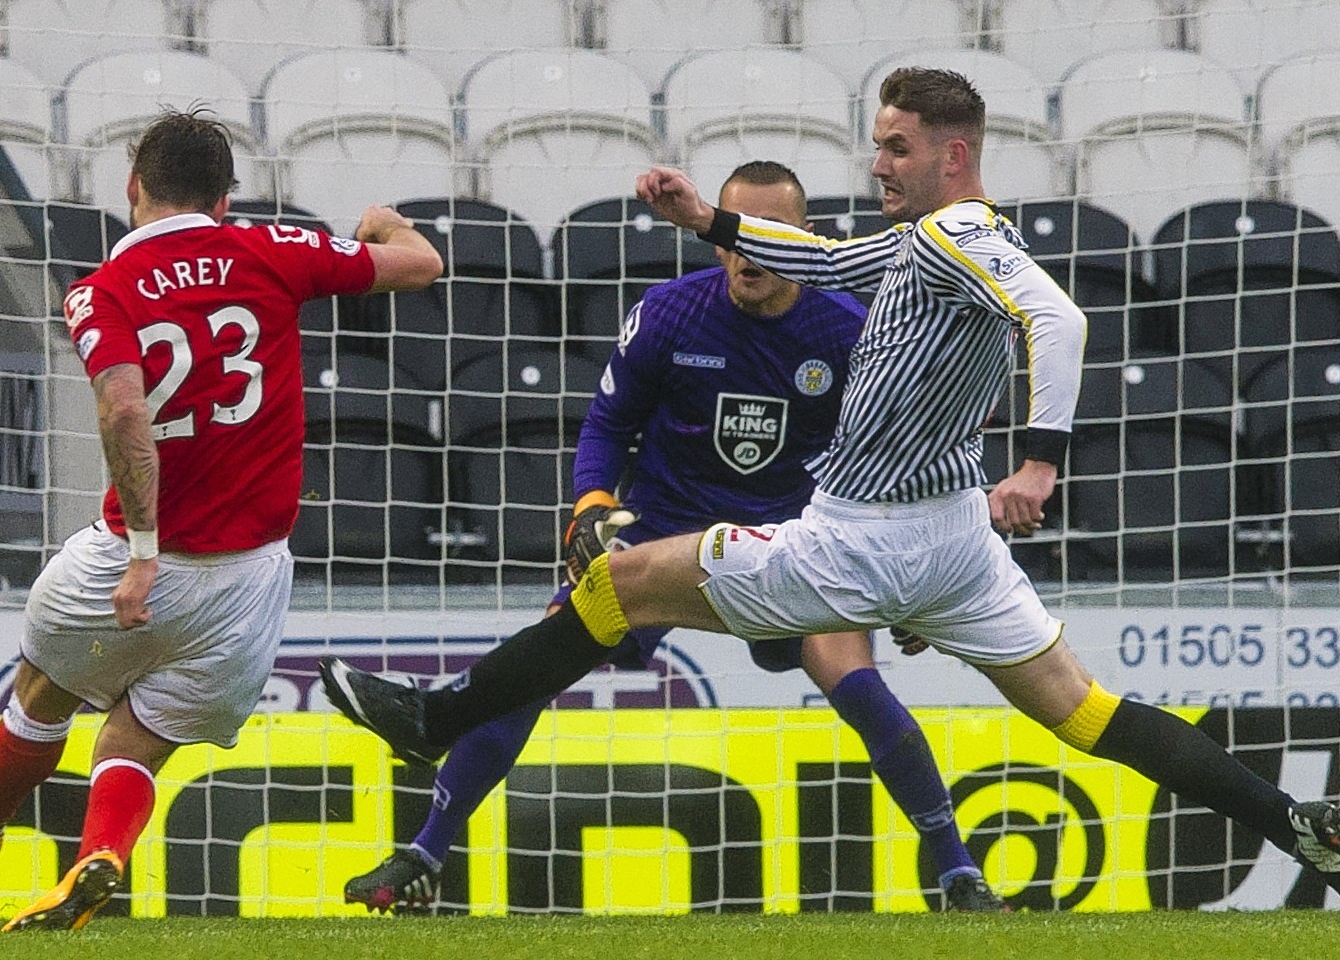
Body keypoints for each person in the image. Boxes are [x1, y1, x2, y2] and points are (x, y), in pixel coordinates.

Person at [319, 68, 1340, 917]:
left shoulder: (963, 234)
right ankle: (1298, 823)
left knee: (628, 576)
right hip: (955, 542)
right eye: (877, 143)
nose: (879, 162)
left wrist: (1040, 461)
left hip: (865, 535)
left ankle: (438, 716)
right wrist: (709, 222)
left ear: (952, 153)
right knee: (1085, 711)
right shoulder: (931, 238)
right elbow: (826, 262)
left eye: (897, 147)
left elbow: (1060, 324)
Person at [342, 161, 1004, 915]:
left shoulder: (849, 330)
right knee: (535, 665)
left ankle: (957, 875)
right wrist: (591, 502)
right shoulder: (669, 313)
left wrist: (907, 584)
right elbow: (607, 425)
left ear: (805, 238)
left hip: (794, 539)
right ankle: (426, 852)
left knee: (858, 685)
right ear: (714, 234)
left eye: (771, 233)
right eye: (734, 233)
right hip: (663, 538)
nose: (748, 253)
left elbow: (898, 451)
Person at [0, 108, 443, 931]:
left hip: (138, 559)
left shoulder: (101, 291)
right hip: (251, 579)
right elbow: (421, 263)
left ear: (133, 187)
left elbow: (124, 413)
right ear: (223, 199)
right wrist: (385, 220)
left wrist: (141, 552)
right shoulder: (274, 250)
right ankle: (100, 857)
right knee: (134, 744)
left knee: (45, 684)